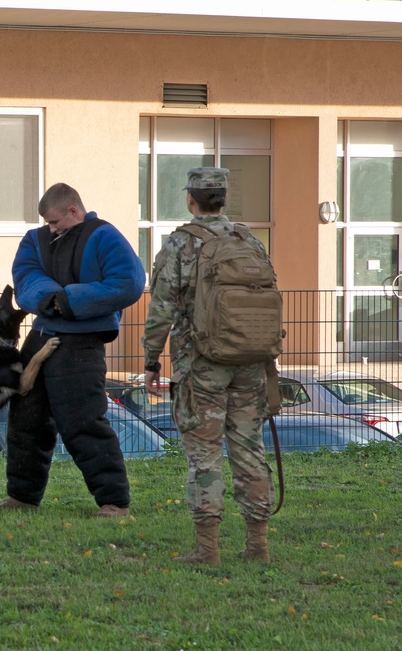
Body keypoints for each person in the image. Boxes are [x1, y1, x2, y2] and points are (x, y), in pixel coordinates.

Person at [0, 183, 146, 517]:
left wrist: (68, 301)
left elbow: (128, 283)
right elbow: (25, 276)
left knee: (83, 421)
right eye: (48, 223)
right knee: (25, 420)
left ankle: (114, 501)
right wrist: (48, 299)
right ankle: (22, 495)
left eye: (55, 221)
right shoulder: (35, 240)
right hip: (40, 337)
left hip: (83, 342)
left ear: (74, 211)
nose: (51, 228)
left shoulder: (105, 236)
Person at [142, 167, 274, 564]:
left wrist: (151, 360)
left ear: (190, 199)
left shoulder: (180, 245)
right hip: (251, 362)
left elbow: (161, 309)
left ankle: (208, 548)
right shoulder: (249, 240)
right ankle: (258, 546)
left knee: (204, 456)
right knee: (250, 449)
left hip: (200, 365)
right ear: (223, 199)